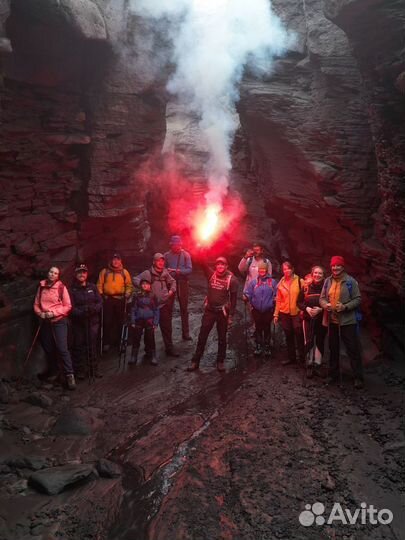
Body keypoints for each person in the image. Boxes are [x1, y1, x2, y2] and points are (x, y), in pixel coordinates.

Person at [187, 256, 238, 372]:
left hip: (222, 312)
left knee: (222, 338)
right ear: (216, 266)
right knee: (202, 335)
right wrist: (201, 250)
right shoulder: (211, 274)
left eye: (222, 264)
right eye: (218, 264)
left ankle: (220, 361)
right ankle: (195, 361)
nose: (220, 266)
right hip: (209, 310)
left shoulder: (232, 280)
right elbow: (202, 262)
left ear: (226, 266)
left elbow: (234, 299)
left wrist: (231, 315)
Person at [319, 256, 364, 389]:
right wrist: (325, 305)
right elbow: (322, 298)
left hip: (348, 322)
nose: (335, 268)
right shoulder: (327, 281)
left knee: (352, 349)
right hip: (333, 321)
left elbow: (357, 299)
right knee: (333, 348)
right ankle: (333, 375)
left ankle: (358, 377)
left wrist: (345, 307)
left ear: (343, 267)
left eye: (338, 265)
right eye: (333, 266)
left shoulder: (350, 281)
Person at [33, 266, 75, 390]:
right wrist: (40, 313)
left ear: (58, 276)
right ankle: (55, 371)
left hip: (58, 321)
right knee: (48, 347)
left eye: (55, 273)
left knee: (62, 348)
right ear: (48, 273)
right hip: (45, 321)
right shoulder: (41, 287)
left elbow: (68, 306)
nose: (52, 274)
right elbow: (36, 304)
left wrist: (53, 313)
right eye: (51, 271)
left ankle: (69, 375)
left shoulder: (61, 288)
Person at [133, 253, 178, 357]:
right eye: (159, 261)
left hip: (164, 304)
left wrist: (171, 290)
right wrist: (144, 285)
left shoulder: (165, 272)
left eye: (162, 261)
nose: (161, 263)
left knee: (167, 328)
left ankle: (169, 349)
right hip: (152, 307)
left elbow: (173, 281)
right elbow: (135, 279)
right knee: (149, 330)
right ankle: (148, 351)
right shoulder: (147, 273)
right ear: (154, 262)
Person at [69, 264, 103, 380]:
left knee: (92, 345)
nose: (81, 274)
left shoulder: (92, 287)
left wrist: (93, 309)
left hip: (92, 321)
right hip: (79, 322)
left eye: (83, 272)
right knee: (79, 346)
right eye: (79, 272)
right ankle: (80, 371)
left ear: (87, 274)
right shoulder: (72, 290)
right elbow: (71, 307)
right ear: (75, 274)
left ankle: (94, 369)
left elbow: (99, 302)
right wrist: (81, 312)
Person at [97, 253, 133, 352]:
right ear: (111, 261)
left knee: (120, 321)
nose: (116, 261)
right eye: (114, 259)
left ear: (121, 261)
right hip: (107, 299)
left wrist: (127, 293)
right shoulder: (104, 272)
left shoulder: (124, 272)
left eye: (118, 259)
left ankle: (120, 342)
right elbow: (99, 285)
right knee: (107, 321)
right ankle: (106, 343)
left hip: (120, 299)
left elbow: (129, 285)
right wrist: (101, 295)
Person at [273, 261, 305, 366]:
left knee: (299, 335)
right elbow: (278, 300)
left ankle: (302, 359)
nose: (286, 271)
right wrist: (276, 314)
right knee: (288, 336)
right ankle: (292, 358)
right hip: (284, 312)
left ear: (293, 269)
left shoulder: (300, 281)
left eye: (288, 268)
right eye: (284, 269)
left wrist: (303, 310)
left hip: (296, 312)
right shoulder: (281, 283)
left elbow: (306, 297)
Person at [297, 265, 327, 377]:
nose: (317, 275)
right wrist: (307, 309)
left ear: (323, 275)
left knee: (320, 340)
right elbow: (299, 302)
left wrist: (321, 309)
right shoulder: (305, 287)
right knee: (308, 341)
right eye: (315, 273)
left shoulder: (326, 288)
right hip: (307, 318)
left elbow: (331, 302)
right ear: (312, 273)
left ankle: (317, 364)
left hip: (321, 318)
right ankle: (309, 365)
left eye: (320, 273)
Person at [243, 261, 277, 357]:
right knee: (258, 328)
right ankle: (258, 346)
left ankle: (266, 346)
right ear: (258, 270)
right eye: (260, 269)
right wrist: (245, 296)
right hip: (256, 310)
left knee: (266, 328)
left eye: (263, 269)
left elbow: (277, 294)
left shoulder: (272, 282)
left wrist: (275, 300)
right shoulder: (254, 282)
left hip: (268, 310)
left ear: (266, 270)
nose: (262, 271)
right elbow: (249, 293)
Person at [164, 235, 193, 340]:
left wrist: (179, 271)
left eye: (179, 244)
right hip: (170, 283)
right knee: (168, 309)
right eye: (175, 245)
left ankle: (185, 334)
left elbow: (190, 269)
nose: (177, 246)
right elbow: (162, 269)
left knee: (184, 308)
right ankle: (168, 335)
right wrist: (168, 271)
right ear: (171, 245)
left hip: (182, 283)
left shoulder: (186, 255)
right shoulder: (166, 256)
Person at [129, 278, 160, 366]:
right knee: (136, 338)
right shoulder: (136, 296)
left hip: (149, 320)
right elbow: (133, 309)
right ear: (140, 286)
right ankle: (133, 356)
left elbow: (156, 310)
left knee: (150, 338)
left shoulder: (153, 296)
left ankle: (153, 356)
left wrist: (155, 322)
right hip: (139, 320)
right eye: (143, 284)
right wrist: (133, 320)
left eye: (146, 284)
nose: (144, 285)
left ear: (149, 285)